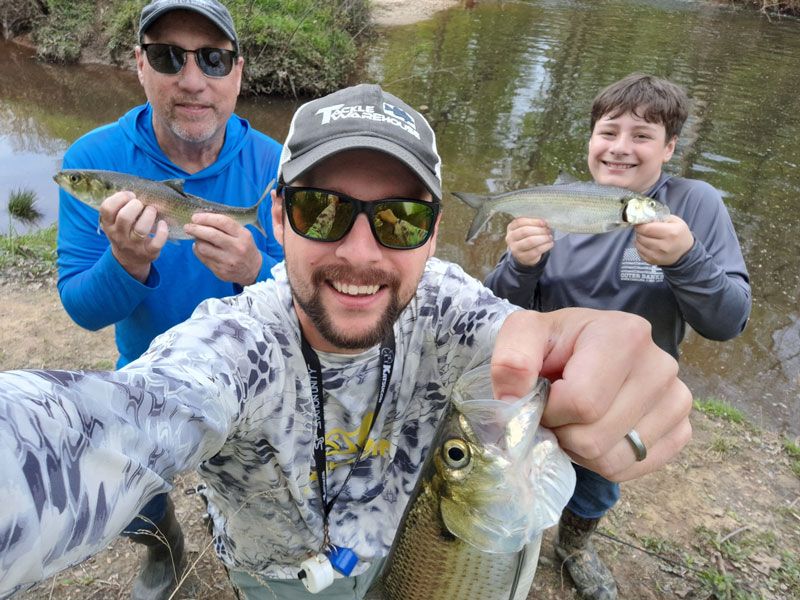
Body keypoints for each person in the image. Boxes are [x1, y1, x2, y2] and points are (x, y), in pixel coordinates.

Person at [1, 83, 692, 600]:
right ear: (276, 215)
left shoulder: (448, 307)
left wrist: (589, 355)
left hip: (413, 562)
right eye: (321, 209)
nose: (360, 252)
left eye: (399, 219)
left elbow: (531, 342)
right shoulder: (232, 345)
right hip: (270, 580)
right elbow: (106, 425)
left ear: (434, 229)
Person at [485, 73, 751, 600]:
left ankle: (574, 548)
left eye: (643, 135)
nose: (620, 148)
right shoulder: (559, 199)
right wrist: (520, 265)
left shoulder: (695, 206)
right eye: (608, 132)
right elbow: (497, 310)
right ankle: (508, 546)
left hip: (624, 398)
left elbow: (728, 322)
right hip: (540, 389)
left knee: (597, 483)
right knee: (510, 481)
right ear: (590, 140)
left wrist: (687, 260)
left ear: (669, 148)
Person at [54, 1, 284, 598]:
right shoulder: (92, 161)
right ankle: (163, 548)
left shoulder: (279, 166)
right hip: (148, 372)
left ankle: (256, 563)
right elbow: (81, 308)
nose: (191, 80)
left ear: (237, 71)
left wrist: (258, 269)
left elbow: (324, 294)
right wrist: (126, 262)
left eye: (212, 59)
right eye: (167, 56)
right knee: (124, 476)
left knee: (273, 489)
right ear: (139, 64)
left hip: (259, 376)